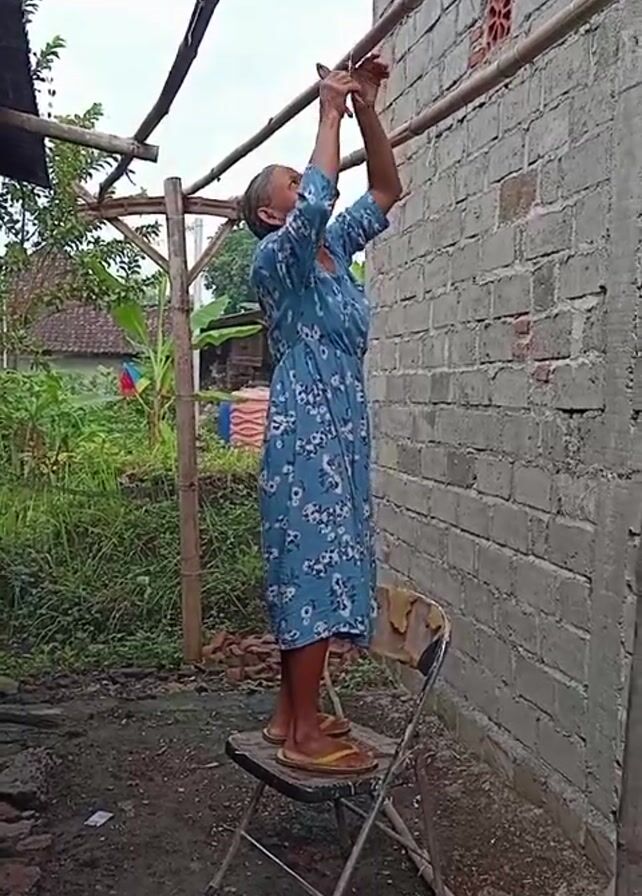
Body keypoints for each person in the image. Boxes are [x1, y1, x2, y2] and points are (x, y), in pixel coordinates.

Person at [242, 55, 402, 774]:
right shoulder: (279, 260)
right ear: (271, 214)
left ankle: (289, 714)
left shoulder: (334, 248)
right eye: (292, 180)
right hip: (306, 426)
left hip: (342, 423)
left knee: (326, 557)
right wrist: (328, 110)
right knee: (309, 561)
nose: (305, 182)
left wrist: (365, 107)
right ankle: (305, 734)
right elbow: (318, 200)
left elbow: (387, 188)